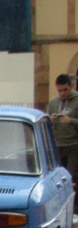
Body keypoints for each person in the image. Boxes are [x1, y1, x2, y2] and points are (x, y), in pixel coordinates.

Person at [49, 73, 78, 209]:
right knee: (57, 179)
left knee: (71, 178)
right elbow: (47, 120)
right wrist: (51, 120)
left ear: (71, 87)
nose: (62, 93)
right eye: (59, 90)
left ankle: (73, 208)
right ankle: (60, 207)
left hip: (74, 145)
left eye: (65, 90)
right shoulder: (53, 102)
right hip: (58, 144)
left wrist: (70, 121)